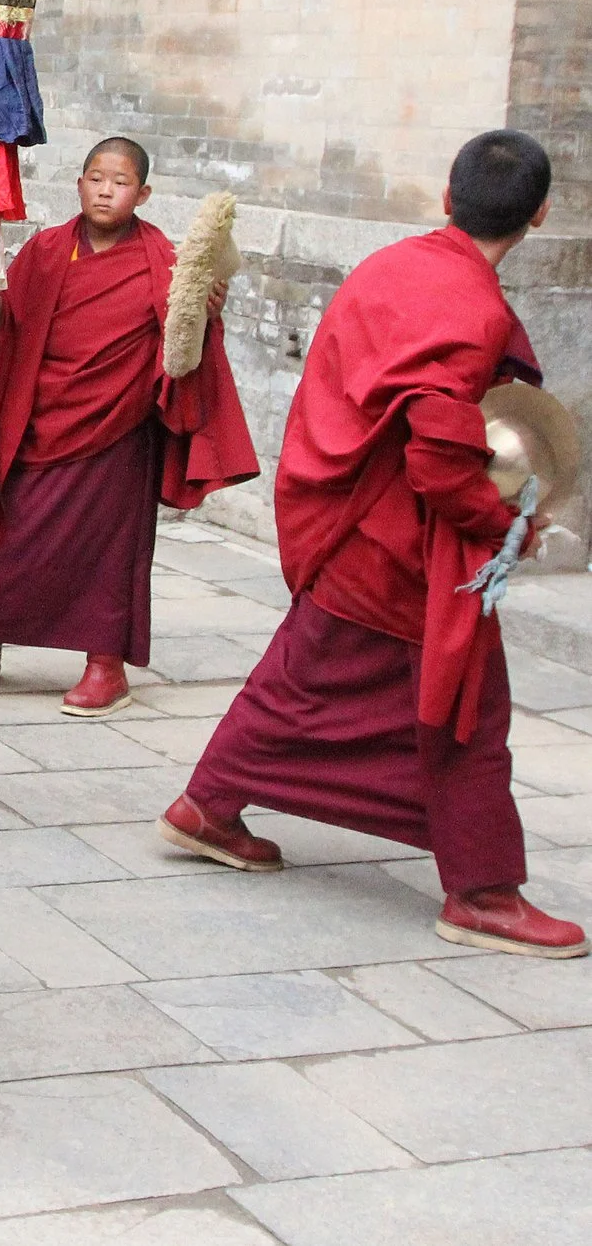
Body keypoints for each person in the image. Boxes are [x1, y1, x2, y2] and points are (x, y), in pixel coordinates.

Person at [165, 131, 583, 959]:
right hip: (394, 546)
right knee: (468, 708)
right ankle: (484, 892)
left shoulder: (397, 266)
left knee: (304, 679)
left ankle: (207, 808)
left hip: (349, 524)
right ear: (540, 214)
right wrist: (502, 528)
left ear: (446, 198)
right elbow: (435, 455)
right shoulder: (470, 307)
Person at [0, 137, 258, 715]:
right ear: (79, 184)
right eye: (95, 178)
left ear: (142, 194)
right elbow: (10, 325)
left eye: (119, 183)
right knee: (3, 534)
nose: (105, 190)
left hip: (115, 425)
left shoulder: (162, 261)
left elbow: (182, 347)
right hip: (34, 418)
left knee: (107, 550)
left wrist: (202, 312)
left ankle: (105, 665)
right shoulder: (44, 250)